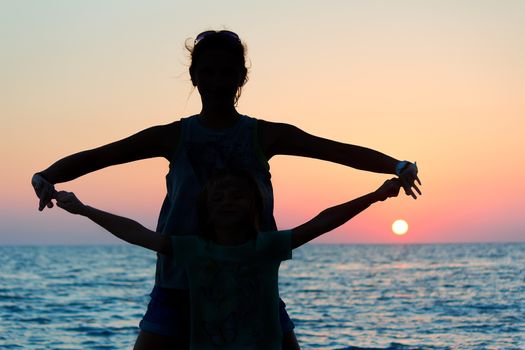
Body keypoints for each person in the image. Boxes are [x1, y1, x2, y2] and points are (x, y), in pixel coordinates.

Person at [31, 30, 421, 349]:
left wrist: (395, 166)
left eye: (227, 72)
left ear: (241, 77)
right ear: (194, 77)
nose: (217, 82)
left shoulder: (263, 135)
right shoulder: (174, 136)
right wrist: (47, 175)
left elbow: (332, 150)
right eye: (209, 72)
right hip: (179, 279)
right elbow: (104, 156)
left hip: (250, 279)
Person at [54, 168, 402, 350]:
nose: (228, 201)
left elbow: (321, 222)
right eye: (218, 197)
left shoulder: (267, 246)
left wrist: (373, 196)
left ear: (254, 205)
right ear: (205, 209)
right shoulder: (192, 248)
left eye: (238, 195)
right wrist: (85, 210)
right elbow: (137, 232)